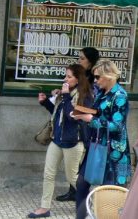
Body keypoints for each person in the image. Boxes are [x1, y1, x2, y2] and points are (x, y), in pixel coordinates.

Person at [27, 64, 93, 218]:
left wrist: (67, 96)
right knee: (48, 174)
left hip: (73, 142)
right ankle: (44, 208)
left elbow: (73, 117)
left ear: (78, 79)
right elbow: (58, 115)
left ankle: (90, 201)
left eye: (69, 76)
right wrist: (46, 103)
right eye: (66, 76)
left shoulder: (86, 96)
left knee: (72, 178)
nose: (65, 79)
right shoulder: (65, 93)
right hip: (56, 140)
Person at [72, 59, 131, 219]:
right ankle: (81, 217)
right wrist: (81, 113)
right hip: (97, 145)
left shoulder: (120, 96)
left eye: (98, 77)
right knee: (82, 184)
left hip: (113, 152)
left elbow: (117, 126)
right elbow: (98, 112)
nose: (95, 81)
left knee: (108, 193)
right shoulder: (101, 92)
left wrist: (90, 119)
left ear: (109, 76)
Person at [55, 47, 100, 202]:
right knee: (74, 165)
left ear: (90, 61)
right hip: (78, 121)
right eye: (78, 58)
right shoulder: (79, 75)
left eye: (82, 59)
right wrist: (63, 94)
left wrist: (75, 109)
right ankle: (73, 192)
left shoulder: (96, 78)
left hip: (87, 123)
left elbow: (89, 107)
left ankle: (88, 196)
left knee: (79, 163)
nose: (79, 61)